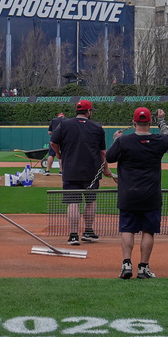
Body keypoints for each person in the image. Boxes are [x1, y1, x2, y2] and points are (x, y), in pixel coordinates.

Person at [106, 107, 168, 279]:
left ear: (134, 123)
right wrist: (162, 121)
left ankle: (126, 264)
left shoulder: (123, 142)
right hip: (151, 195)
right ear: (150, 122)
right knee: (148, 231)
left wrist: (116, 139)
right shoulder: (158, 141)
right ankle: (143, 267)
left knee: (127, 229)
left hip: (128, 194)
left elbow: (109, 158)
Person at [50, 99, 111, 246]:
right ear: (88, 111)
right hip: (92, 171)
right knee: (90, 201)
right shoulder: (97, 127)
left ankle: (73, 235)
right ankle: (88, 232)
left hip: (71, 169)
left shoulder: (64, 125)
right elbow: (102, 152)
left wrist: (59, 155)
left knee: (73, 202)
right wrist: (106, 169)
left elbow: (53, 142)